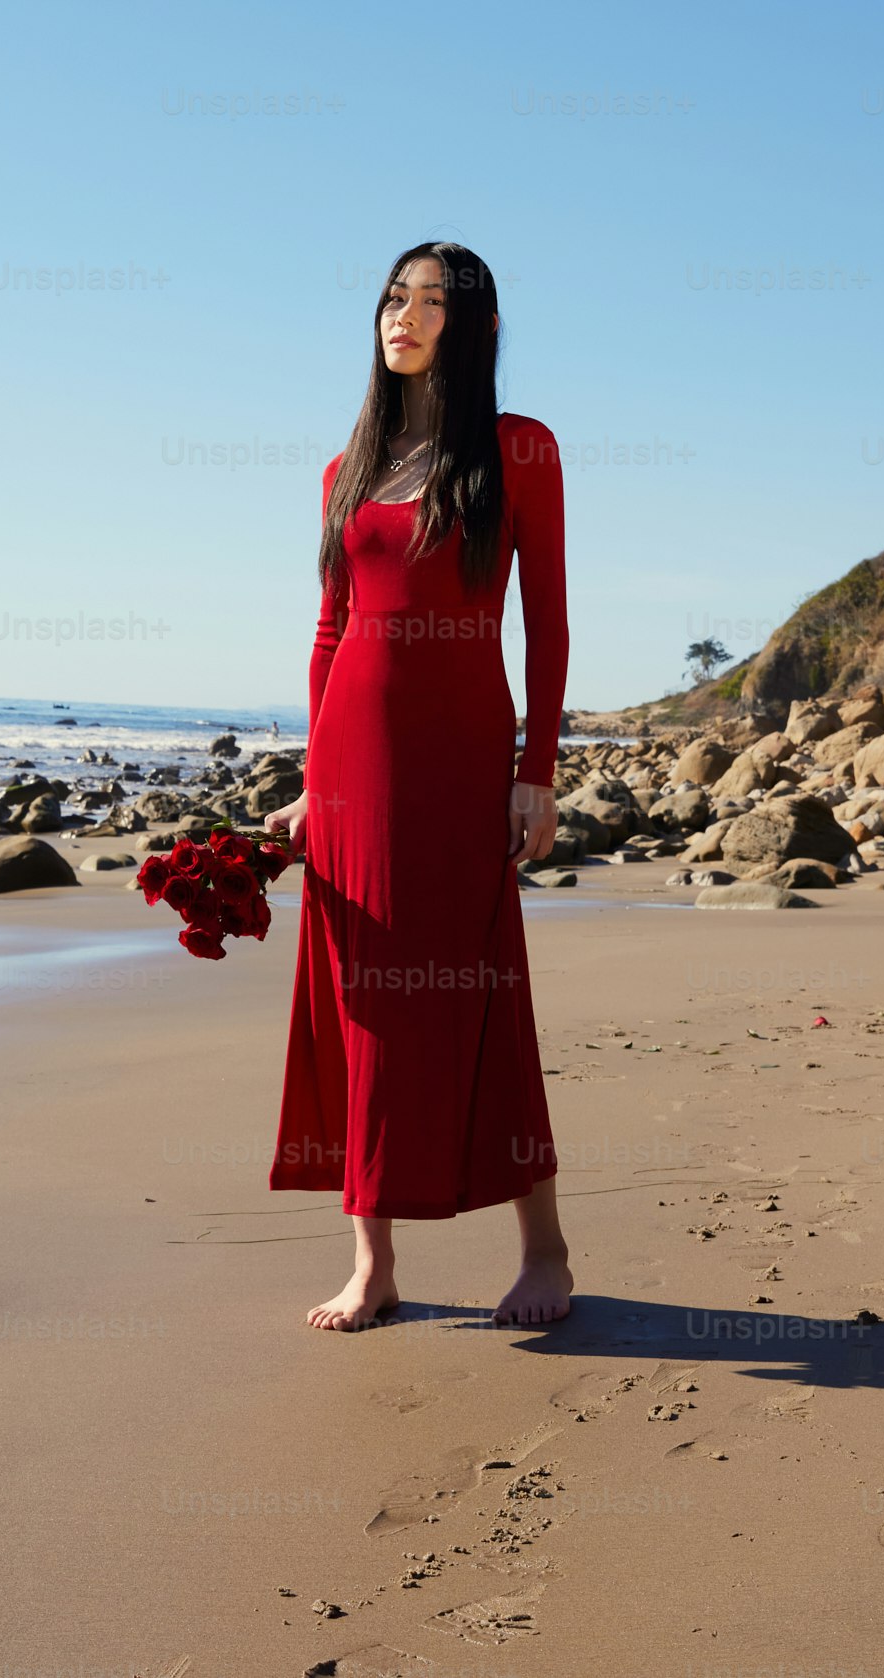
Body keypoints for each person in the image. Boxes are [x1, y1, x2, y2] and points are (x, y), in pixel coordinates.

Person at [264, 241, 571, 1331]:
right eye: (394, 295)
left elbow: (548, 624)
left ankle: (544, 1250)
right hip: (350, 763)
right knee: (360, 998)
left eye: (432, 301)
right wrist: (309, 786)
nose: (404, 315)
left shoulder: (517, 451)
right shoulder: (344, 466)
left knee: (481, 986)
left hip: (456, 752)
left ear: (473, 324)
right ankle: (372, 1264)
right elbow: (328, 631)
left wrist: (534, 774)